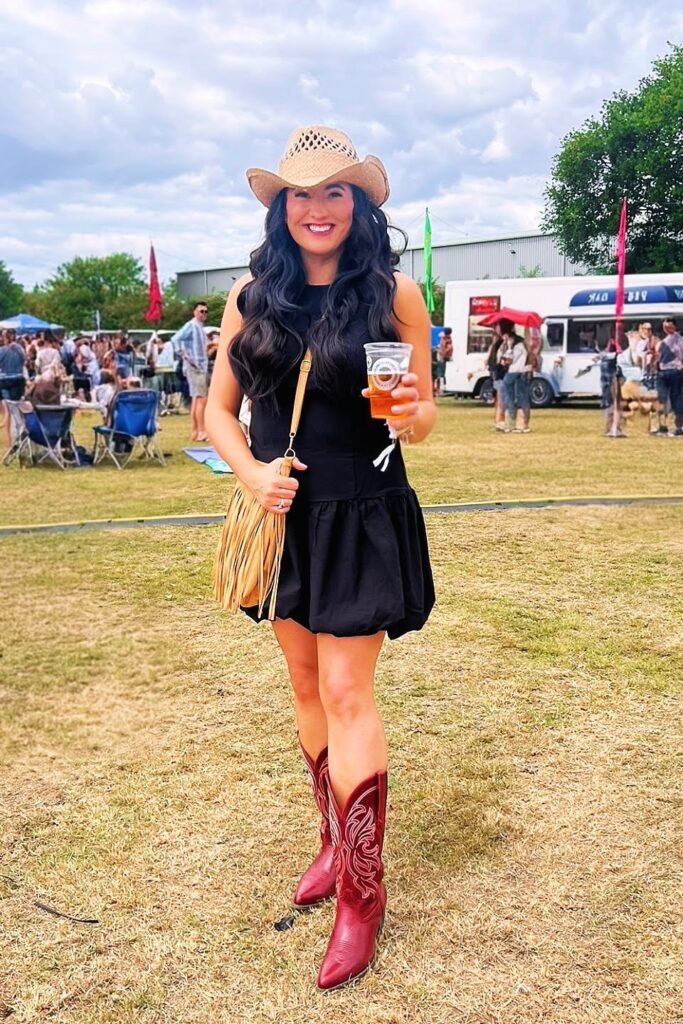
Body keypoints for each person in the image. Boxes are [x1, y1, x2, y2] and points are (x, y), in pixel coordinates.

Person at [205, 124, 436, 992]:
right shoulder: (250, 295)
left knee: (346, 689)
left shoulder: (392, 294)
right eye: (300, 193)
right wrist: (250, 472)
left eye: (333, 191)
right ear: (281, 208)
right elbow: (218, 413)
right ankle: (334, 846)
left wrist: (412, 411)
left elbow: (417, 416)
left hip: (362, 509)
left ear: (360, 203)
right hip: (285, 513)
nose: (316, 207)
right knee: (305, 687)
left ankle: (362, 898)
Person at [172, 302, 209, 441]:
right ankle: (201, 431)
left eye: (205, 311)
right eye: (201, 311)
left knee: (196, 399)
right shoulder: (192, 325)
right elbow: (175, 339)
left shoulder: (199, 326)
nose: (204, 314)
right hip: (196, 367)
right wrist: (186, 356)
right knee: (202, 399)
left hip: (198, 366)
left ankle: (194, 432)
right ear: (195, 312)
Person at [499, 321, 531, 432]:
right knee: (517, 396)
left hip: (516, 371)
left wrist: (504, 357)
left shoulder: (517, 344)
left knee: (510, 394)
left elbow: (511, 359)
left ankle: (520, 423)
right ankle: (516, 423)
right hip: (519, 371)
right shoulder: (515, 343)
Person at [658, 318, 683, 437]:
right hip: (663, 371)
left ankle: (678, 427)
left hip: (674, 371)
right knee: (662, 398)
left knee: (676, 398)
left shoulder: (679, 340)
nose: (666, 329)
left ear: (674, 327)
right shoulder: (664, 340)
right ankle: (663, 426)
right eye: (664, 326)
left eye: (669, 326)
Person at [485, 328, 507, 431]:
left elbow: (488, 361)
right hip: (499, 373)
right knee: (500, 398)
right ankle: (500, 421)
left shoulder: (496, 346)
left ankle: (498, 421)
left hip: (496, 373)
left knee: (499, 398)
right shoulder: (501, 345)